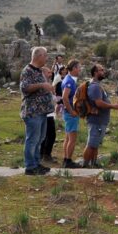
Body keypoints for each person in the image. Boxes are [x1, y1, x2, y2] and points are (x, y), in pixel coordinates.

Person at [20, 47, 55, 175]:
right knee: (32, 139)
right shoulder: (27, 71)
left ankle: (36, 163)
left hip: (42, 112)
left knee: (40, 139)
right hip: (33, 112)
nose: (46, 58)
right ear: (39, 56)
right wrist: (42, 85)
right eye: (45, 56)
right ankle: (30, 167)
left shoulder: (40, 71)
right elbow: (25, 88)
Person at [83, 64, 118, 168]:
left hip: (100, 120)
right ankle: (85, 166)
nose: (103, 72)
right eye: (101, 70)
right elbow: (98, 103)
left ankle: (94, 163)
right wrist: (114, 106)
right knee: (91, 144)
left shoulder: (98, 85)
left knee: (95, 144)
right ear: (95, 72)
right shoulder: (95, 86)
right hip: (96, 120)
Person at [60, 60, 82, 168]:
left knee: (68, 138)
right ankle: (68, 161)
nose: (80, 69)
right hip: (71, 114)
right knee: (72, 139)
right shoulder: (69, 81)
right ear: (73, 68)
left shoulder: (68, 79)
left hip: (68, 113)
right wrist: (71, 111)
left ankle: (66, 159)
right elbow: (64, 97)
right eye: (79, 67)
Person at [40, 67, 58, 164]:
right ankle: (45, 154)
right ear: (43, 73)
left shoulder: (48, 84)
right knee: (50, 134)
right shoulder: (43, 85)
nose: (50, 74)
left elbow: (53, 98)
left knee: (47, 134)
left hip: (50, 112)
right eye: (48, 72)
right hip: (46, 114)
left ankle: (44, 154)